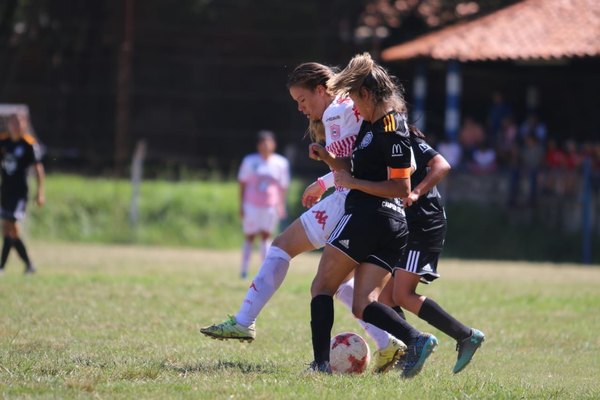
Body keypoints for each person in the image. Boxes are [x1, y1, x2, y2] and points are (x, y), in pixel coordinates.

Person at [201, 62, 407, 373]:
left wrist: (327, 181)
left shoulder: (337, 112)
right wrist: (323, 182)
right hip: (354, 201)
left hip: (349, 202)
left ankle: (245, 321)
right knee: (336, 283)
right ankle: (388, 341)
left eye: (302, 99)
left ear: (321, 91)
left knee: (282, 246)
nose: (300, 108)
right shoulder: (340, 109)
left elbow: (354, 166)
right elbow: (352, 163)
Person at [307, 53, 437, 376]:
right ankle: (416, 339)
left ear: (366, 94)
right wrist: (329, 159)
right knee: (363, 303)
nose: (353, 106)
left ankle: (321, 365)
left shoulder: (392, 128)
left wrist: (353, 182)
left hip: (370, 217)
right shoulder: (370, 124)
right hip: (390, 227)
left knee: (322, 286)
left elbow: (401, 188)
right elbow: (353, 168)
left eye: (353, 97)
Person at [379, 126, 485, 374]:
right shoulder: (373, 138)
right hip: (405, 224)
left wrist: (416, 192)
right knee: (384, 297)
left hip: (423, 223)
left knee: (402, 295)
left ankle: (466, 335)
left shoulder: (404, 139)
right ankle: (412, 348)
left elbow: (442, 165)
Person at [237, 130, 290, 279]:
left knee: (266, 236)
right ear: (258, 145)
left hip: (270, 206)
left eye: (268, 142)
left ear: (273, 145)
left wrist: (280, 205)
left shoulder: (280, 163)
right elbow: (242, 183)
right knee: (250, 236)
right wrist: (241, 205)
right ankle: (244, 270)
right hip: (251, 205)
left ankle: (264, 272)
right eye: (263, 143)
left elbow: (283, 186)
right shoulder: (250, 161)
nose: (266, 146)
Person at [0, 114, 45, 275]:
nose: (16, 126)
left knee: (10, 226)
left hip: (19, 194)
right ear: (9, 124)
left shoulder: (28, 144)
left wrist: (40, 192)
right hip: (5, 191)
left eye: (19, 123)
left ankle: (2, 266)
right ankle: (29, 265)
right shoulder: (3, 141)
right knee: (9, 230)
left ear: (24, 124)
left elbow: (38, 169)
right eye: (13, 123)